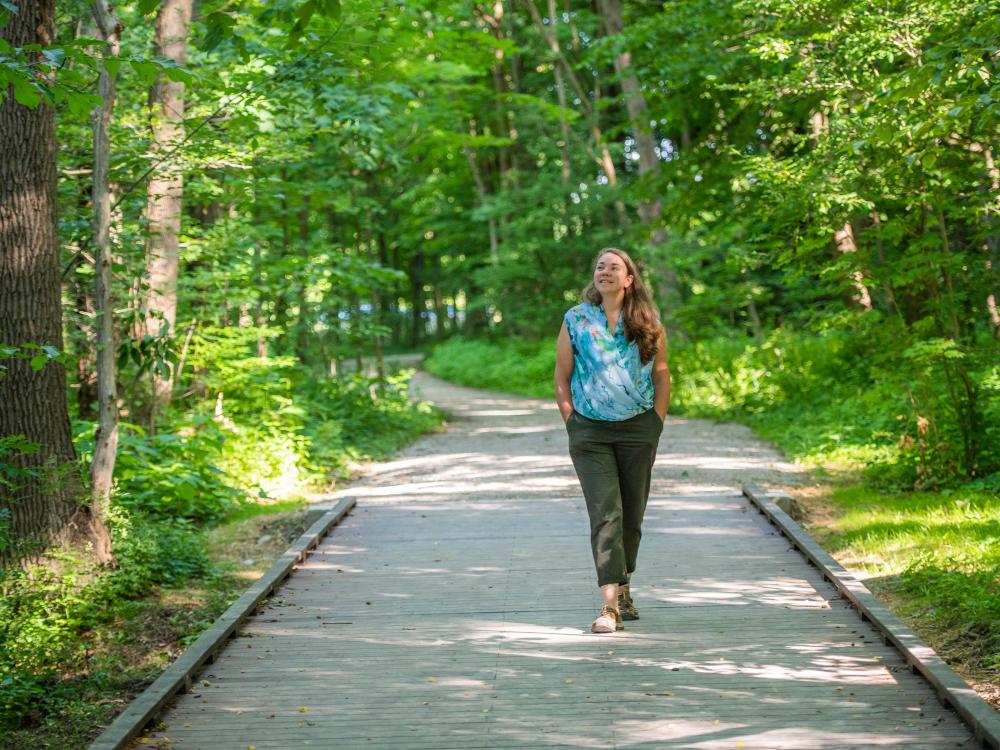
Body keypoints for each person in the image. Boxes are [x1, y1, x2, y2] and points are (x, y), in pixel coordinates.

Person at [554, 247, 671, 634]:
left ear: (629, 279)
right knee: (606, 514)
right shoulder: (575, 319)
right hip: (590, 431)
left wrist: (655, 422)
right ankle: (609, 608)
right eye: (600, 266)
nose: (604, 272)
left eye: (614, 267)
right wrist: (573, 423)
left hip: (639, 428)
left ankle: (624, 587)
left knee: (631, 516)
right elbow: (561, 377)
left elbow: (662, 375)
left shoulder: (648, 319)